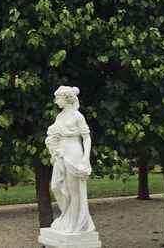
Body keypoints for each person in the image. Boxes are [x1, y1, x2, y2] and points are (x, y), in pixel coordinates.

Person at [45, 85, 96, 233]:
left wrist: (85, 159)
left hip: (74, 152)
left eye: (57, 98)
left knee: (74, 192)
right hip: (61, 152)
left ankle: (73, 223)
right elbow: (54, 133)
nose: (55, 101)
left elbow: (86, 138)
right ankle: (67, 216)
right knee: (56, 186)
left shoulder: (77, 116)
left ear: (66, 98)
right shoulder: (60, 116)